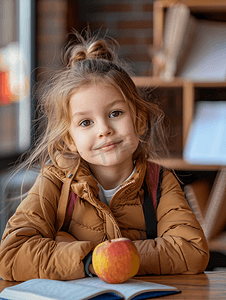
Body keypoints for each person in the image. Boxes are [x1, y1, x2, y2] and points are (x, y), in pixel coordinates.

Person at [0, 30, 209, 281]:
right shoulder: (56, 181)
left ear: (139, 121)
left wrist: (102, 257)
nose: (104, 130)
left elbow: (193, 250)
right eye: (86, 122)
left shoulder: (160, 182)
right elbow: (11, 255)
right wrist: (91, 261)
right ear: (70, 139)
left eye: (115, 114)